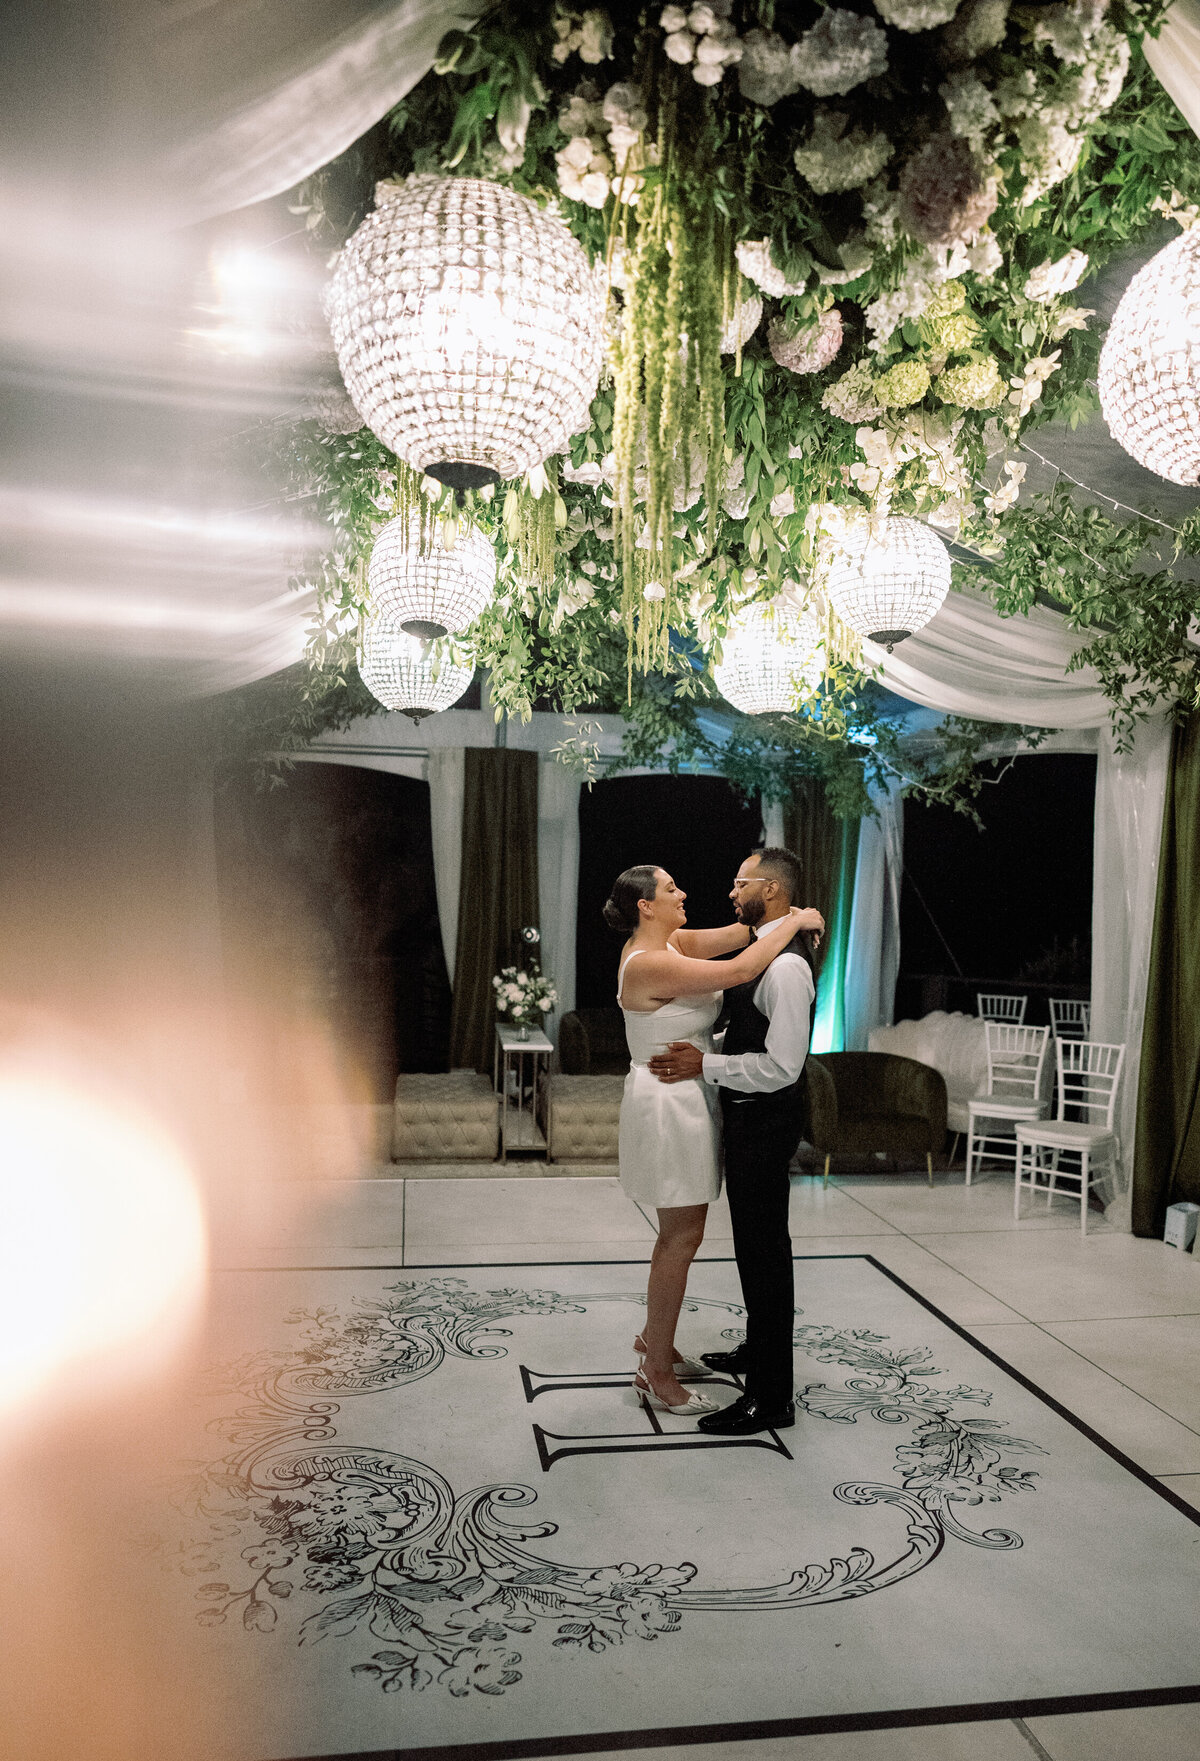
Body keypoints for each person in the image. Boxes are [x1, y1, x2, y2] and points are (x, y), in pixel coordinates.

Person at [603, 863, 823, 1418]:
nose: (686, 892)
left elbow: (743, 935)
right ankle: (655, 1370)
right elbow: (746, 964)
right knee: (680, 1237)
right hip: (669, 1099)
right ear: (644, 907)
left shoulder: (673, 941)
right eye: (672, 888)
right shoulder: (649, 961)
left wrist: (797, 915)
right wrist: (799, 922)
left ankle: (657, 1343)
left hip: (691, 1090)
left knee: (683, 1233)